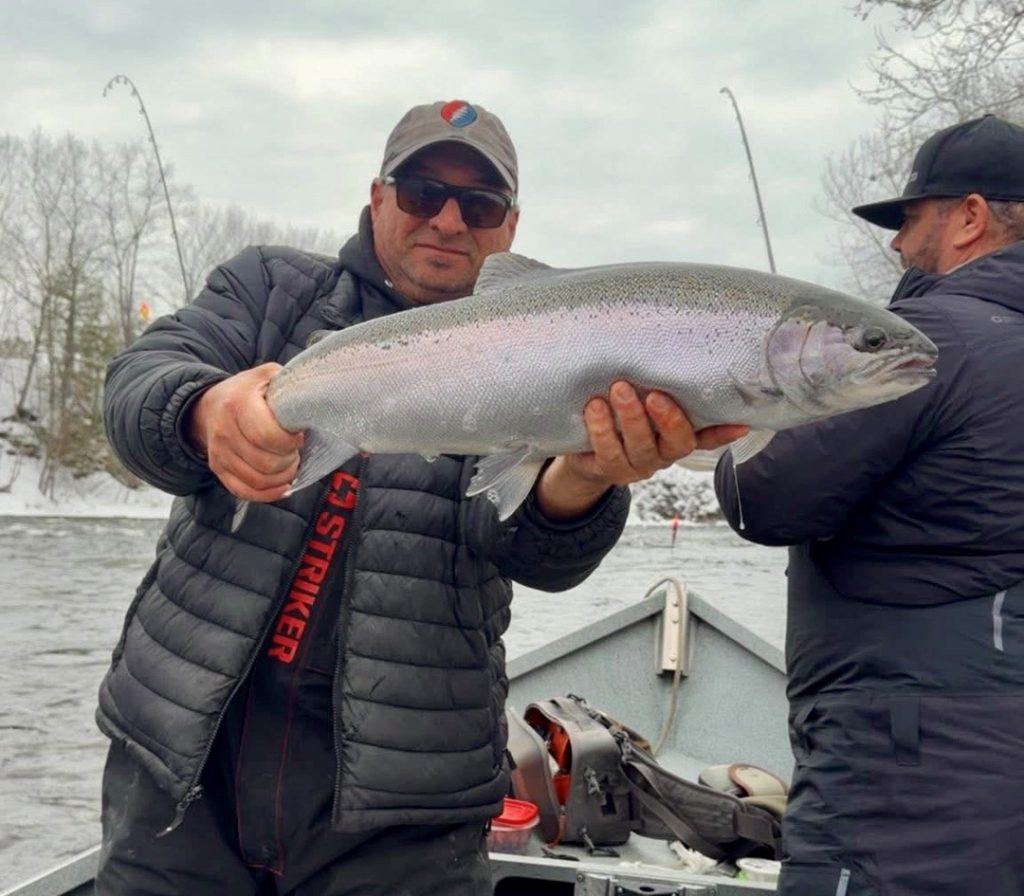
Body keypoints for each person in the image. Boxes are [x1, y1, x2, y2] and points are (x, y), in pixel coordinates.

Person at [95, 99, 744, 896]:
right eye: (420, 191)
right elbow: (138, 386)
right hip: (183, 767)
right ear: (376, 199)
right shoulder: (270, 291)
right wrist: (202, 412)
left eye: (479, 204)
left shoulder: (554, 352)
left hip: (409, 804)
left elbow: (538, 558)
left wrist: (586, 476)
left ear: (509, 227)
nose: (446, 219)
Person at [714, 114, 1024, 895]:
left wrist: (747, 407)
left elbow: (764, 497)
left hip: (914, 772)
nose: (895, 245)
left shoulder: (933, 340)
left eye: (910, 219)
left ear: (970, 217)